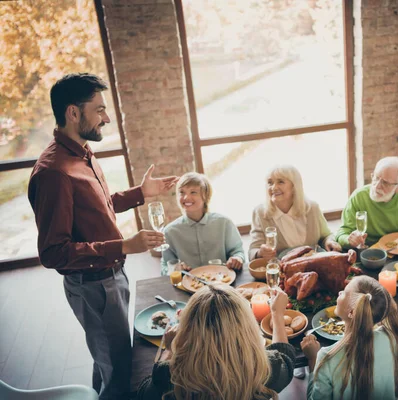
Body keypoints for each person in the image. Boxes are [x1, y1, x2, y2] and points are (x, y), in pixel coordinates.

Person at [28, 73, 178, 399]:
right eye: (99, 110)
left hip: (111, 276)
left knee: (108, 359)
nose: (106, 118)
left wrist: (141, 192)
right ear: (73, 113)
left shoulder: (82, 153)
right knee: (119, 371)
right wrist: (124, 245)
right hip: (93, 286)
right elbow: (54, 252)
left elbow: (98, 209)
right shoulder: (54, 172)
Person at [136, 286, 296, 400]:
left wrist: (170, 351)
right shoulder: (264, 369)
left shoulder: (172, 377)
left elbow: (144, 392)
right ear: (247, 330)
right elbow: (286, 359)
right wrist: (276, 313)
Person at [301, 275, 398, 399]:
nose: (339, 293)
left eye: (344, 293)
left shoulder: (327, 358)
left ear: (351, 312)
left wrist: (313, 359)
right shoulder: (394, 339)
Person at [249, 164, 342, 260]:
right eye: (270, 183)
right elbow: (252, 251)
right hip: (283, 271)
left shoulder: (312, 208)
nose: (274, 188)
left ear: (294, 186)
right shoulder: (260, 213)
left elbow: (326, 236)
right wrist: (260, 253)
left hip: (314, 267)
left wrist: (329, 242)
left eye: (280, 182)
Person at [160, 172, 245, 275]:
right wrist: (174, 268)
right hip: (187, 286)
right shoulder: (169, 232)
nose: (186, 197)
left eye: (193, 192)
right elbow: (165, 266)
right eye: (182, 192)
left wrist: (237, 258)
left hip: (222, 282)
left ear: (205, 196)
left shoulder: (224, 223)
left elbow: (238, 251)